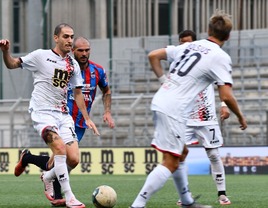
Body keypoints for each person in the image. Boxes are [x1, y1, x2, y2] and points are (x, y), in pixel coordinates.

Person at [129, 10, 247, 208]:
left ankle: (187, 202)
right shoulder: (220, 56)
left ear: (208, 30)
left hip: (163, 101)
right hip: (175, 109)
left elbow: (153, 55)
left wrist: (163, 81)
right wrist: (241, 116)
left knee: (181, 153)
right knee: (170, 161)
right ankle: (138, 205)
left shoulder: (190, 46)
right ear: (228, 36)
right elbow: (226, 95)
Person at [0, 23, 99, 208]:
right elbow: (12, 64)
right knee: (59, 148)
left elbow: (77, 94)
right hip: (42, 113)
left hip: (62, 114)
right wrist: (6, 52)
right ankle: (69, 197)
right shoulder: (40, 56)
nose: (70, 40)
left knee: (74, 159)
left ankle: (47, 176)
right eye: (66, 37)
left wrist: (87, 118)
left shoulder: (73, 64)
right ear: (56, 38)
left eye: (71, 37)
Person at [13, 36, 115, 207]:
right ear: (73, 51)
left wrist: (107, 112)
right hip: (60, 117)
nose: (84, 53)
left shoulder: (97, 71)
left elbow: (106, 89)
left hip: (80, 122)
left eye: (87, 50)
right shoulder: (63, 67)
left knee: (68, 161)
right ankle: (60, 196)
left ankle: (28, 159)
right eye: (80, 50)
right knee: (59, 156)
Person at [174, 30, 232, 206]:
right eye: (182, 42)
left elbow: (221, 84)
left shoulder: (207, 60)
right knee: (179, 156)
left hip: (206, 116)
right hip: (185, 117)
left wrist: (224, 105)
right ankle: (185, 195)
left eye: (188, 42)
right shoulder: (178, 62)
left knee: (214, 155)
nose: (185, 45)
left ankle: (222, 194)